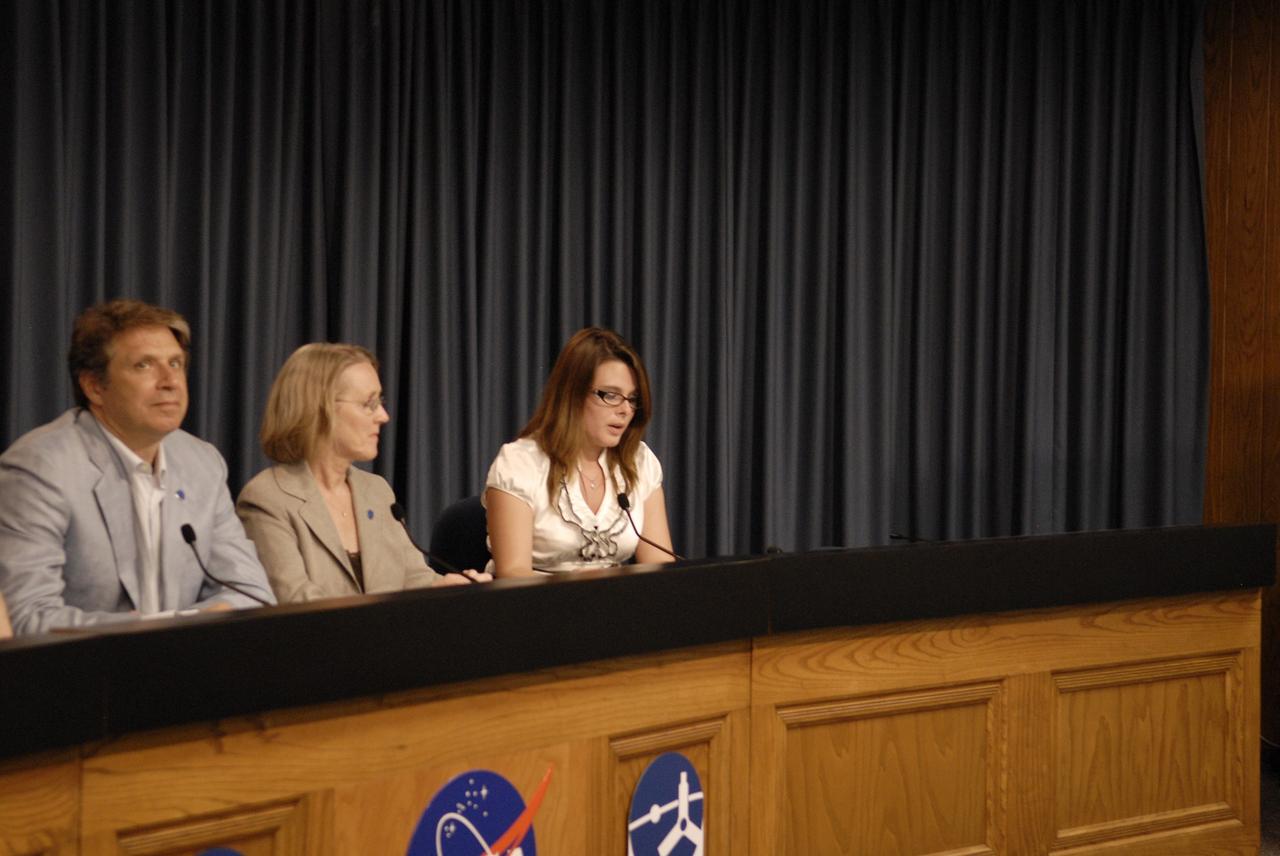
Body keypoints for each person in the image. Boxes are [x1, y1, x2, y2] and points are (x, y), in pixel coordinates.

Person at [0, 299, 276, 635]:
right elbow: (29, 617)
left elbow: (253, 593)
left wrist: (177, 631)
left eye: (175, 363)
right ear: (94, 386)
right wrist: (163, 629)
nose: (170, 381)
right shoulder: (41, 467)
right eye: (144, 365)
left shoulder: (201, 462)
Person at [237, 343, 487, 603]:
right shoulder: (267, 499)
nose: (384, 416)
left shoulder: (376, 491)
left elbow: (414, 579)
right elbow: (296, 603)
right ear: (320, 408)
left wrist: (446, 588)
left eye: (380, 402)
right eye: (369, 403)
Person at [485, 326, 677, 576]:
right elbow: (512, 573)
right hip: (535, 607)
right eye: (611, 395)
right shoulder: (520, 463)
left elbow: (660, 567)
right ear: (571, 394)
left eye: (632, 399)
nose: (625, 410)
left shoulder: (639, 461)